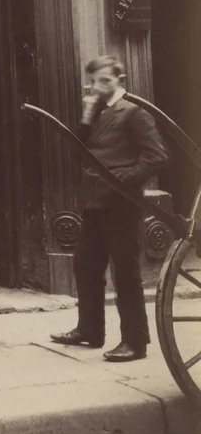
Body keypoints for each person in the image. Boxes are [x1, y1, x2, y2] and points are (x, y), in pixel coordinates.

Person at [50, 55, 169, 362]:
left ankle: (135, 341)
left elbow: (157, 156)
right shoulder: (97, 112)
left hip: (122, 205)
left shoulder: (133, 113)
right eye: (93, 80)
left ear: (120, 81)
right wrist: (87, 116)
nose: (98, 86)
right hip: (94, 203)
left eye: (105, 80)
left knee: (125, 272)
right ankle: (90, 330)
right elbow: (81, 155)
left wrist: (122, 179)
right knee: (85, 266)